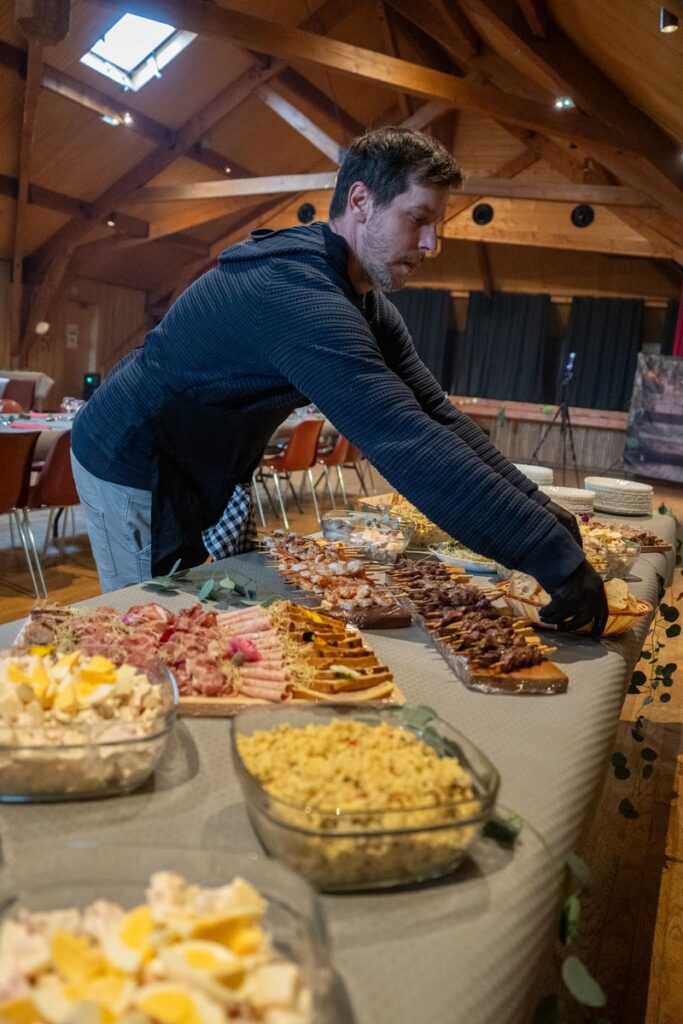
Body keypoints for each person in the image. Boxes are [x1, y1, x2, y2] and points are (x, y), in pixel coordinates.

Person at [71, 126, 607, 636]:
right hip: (132, 457)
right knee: (150, 620)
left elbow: (436, 417)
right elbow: (406, 442)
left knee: (189, 608)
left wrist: (547, 518)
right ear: (360, 202)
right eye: (418, 219)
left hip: (198, 459)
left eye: (436, 224)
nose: (432, 244)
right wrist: (552, 559)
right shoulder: (298, 297)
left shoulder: (361, 301)